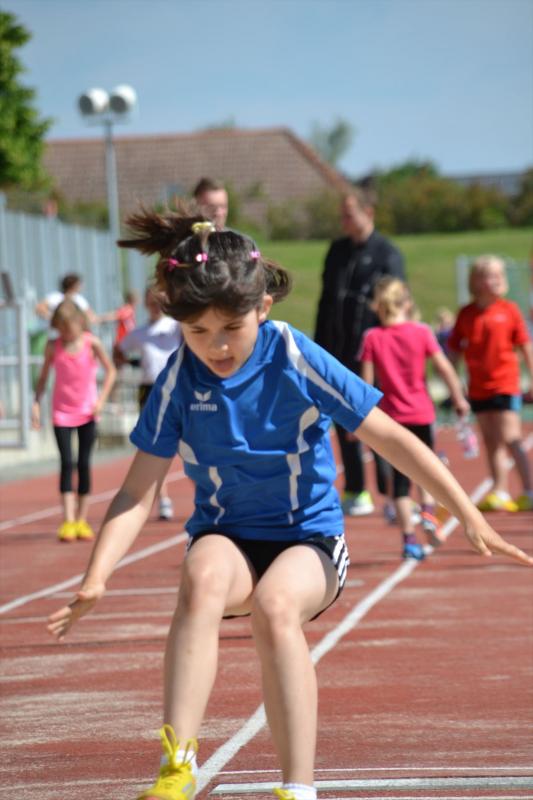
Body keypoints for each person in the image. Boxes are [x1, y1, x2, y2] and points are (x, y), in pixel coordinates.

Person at [47, 208, 533, 800]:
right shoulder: (180, 378)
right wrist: (97, 576)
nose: (216, 346)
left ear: (263, 307)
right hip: (229, 536)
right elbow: (135, 491)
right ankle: (177, 764)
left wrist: (468, 513)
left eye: (231, 328)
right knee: (200, 576)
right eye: (197, 332)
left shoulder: (293, 355)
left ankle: (297, 786)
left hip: (309, 540)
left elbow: (390, 437)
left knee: (276, 605)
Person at [358, 278, 470, 559]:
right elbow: (445, 368)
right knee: (426, 467)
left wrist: (359, 419)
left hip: (391, 419)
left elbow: (365, 384)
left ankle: (408, 540)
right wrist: (458, 397)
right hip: (421, 413)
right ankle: (429, 512)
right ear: (407, 303)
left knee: (399, 480)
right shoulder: (422, 332)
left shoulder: (372, 337)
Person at [314, 186, 406, 517]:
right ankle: (356, 489)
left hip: (373, 353)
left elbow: (397, 303)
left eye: (349, 214)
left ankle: (391, 491)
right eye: (341, 215)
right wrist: (319, 344)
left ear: (369, 213)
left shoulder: (387, 253)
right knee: (343, 418)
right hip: (337, 349)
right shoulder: (337, 250)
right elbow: (326, 299)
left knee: (377, 419)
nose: (343, 221)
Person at [448, 255, 533, 512]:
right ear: (476, 281)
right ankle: (500, 490)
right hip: (478, 387)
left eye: (499, 276)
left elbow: (525, 346)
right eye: (489, 276)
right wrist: (454, 381)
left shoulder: (510, 310)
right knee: (490, 440)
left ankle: (528, 490)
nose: (495, 281)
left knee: (511, 437)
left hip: (505, 384)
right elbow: (454, 350)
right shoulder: (466, 314)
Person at [32, 300, 116, 541]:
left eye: (70, 328)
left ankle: (81, 519)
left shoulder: (92, 343)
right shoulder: (53, 346)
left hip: (88, 411)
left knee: (83, 463)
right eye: (62, 328)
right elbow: (43, 377)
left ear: (80, 323)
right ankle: (68, 520)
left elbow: (111, 371)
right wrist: (36, 403)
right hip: (61, 412)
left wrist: (101, 400)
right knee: (67, 462)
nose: (66, 333)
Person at [115, 287, 180, 520]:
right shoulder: (139, 333)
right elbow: (119, 350)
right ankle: (163, 500)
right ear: (145, 304)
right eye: (151, 303)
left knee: (192, 443)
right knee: (155, 446)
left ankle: (208, 495)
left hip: (177, 388)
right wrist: (132, 363)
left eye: (159, 303)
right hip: (150, 390)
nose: (155, 307)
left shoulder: (176, 327)